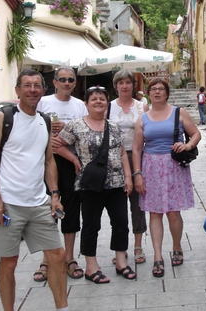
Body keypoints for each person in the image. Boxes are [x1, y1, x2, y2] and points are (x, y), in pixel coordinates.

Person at [0, 69, 69, 311]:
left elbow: (49, 161)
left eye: (36, 85)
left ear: (44, 90)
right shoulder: (4, 117)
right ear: (18, 90)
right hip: (9, 203)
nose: (32, 89)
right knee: (9, 262)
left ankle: (63, 308)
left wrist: (54, 196)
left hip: (39, 202)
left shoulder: (45, 120)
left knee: (57, 256)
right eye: (27, 85)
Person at [55, 86, 135, 284]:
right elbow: (56, 145)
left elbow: (123, 152)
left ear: (107, 103)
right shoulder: (76, 125)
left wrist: (128, 177)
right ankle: (91, 266)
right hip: (90, 185)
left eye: (102, 98)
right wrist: (74, 159)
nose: (98, 102)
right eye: (94, 99)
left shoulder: (114, 126)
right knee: (91, 225)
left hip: (116, 184)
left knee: (121, 224)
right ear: (87, 103)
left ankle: (121, 261)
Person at [132, 78, 201, 277]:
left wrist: (188, 145)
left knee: (173, 212)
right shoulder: (143, 118)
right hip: (151, 167)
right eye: (153, 89)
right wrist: (138, 174)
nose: (157, 92)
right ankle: (157, 256)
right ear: (148, 93)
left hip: (173, 167)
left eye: (161, 89)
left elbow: (196, 134)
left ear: (167, 92)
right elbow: (136, 149)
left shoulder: (179, 113)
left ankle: (177, 246)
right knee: (154, 212)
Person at [33, 67, 88, 282]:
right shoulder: (43, 103)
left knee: (72, 210)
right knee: (47, 210)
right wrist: (48, 130)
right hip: (47, 162)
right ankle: (47, 259)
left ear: (75, 83)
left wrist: (68, 129)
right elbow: (32, 128)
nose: (66, 83)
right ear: (54, 82)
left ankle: (69, 258)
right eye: (62, 79)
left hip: (71, 162)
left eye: (70, 80)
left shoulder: (79, 106)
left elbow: (86, 133)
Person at [108, 70, 149, 265]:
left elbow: (149, 131)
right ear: (115, 86)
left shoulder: (142, 106)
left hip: (137, 156)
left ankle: (138, 245)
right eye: (120, 83)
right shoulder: (108, 107)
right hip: (113, 159)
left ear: (133, 85)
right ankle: (120, 248)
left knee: (138, 203)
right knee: (117, 205)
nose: (124, 86)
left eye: (128, 82)